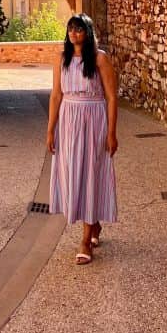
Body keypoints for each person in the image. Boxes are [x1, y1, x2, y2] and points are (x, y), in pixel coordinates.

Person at [47, 13, 118, 265]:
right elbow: (56, 95)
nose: (74, 33)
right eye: (70, 29)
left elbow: (111, 97)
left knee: (91, 173)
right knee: (72, 173)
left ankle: (86, 240)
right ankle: (94, 223)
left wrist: (111, 133)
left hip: (94, 119)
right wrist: (50, 129)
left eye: (79, 29)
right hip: (68, 120)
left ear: (87, 32)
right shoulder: (61, 58)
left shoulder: (100, 59)